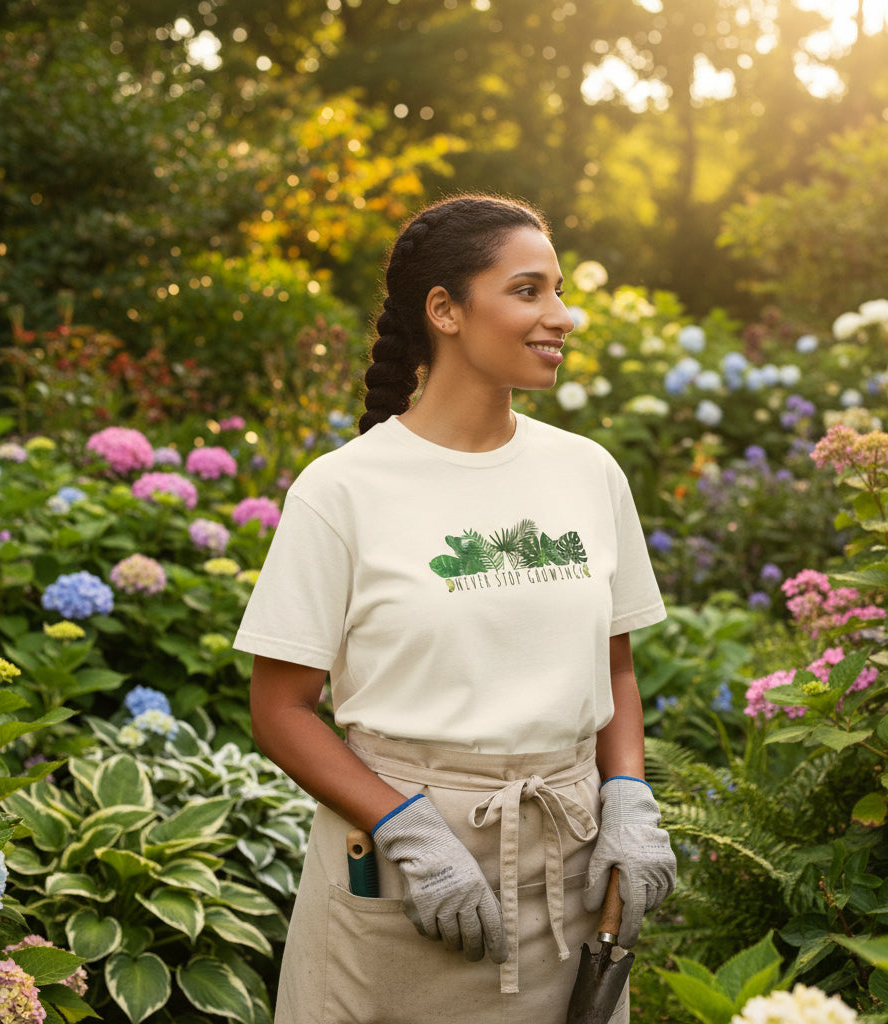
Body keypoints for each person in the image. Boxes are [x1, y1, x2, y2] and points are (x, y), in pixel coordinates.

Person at [234, 193, 676, 1024]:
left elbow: (613, 668)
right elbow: (280, 709)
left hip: (569, 867)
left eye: (559, 290)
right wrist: (410, 832)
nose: (561, 316)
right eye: (529, 290)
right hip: (404, 880)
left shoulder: (588, 473)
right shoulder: (342, 491)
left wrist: (628, 800)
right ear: (444, 310)